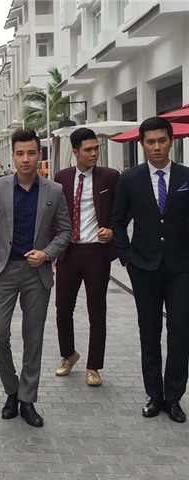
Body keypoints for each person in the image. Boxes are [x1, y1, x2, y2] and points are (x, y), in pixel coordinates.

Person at [0, 129, 71, 428]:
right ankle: (12, 390)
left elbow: (65, 231)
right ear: (13, 156)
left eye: (31, 153)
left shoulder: (54, 190)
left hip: (36, 273)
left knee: (33, 338)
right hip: (3, 271)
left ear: (39, 155)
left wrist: (47, 254)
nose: (26, 159)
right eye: (20, 153)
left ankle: (27, 399)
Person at [112, 116, 189, 423]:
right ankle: (154, 396)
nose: (156, 147)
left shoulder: (185, 176)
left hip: (181, 268)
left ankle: (174, 397)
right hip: (143, 267)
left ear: (171, 141)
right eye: (150, 142)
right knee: (149, 332)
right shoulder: (130, 179)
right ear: (142, 144)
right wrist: (126, 257)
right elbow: (117, 221)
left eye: (161, 141)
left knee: (180, 331)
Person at [53, 128, 120, 387]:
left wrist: (112, 230)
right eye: (88, 149)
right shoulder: (62, 178)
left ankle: (93, 366)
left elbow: (123, 209)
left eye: (96, 148)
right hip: (69, 252)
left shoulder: (110, 177)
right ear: (75, 152)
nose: (94, 153)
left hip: (96, 252)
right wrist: (53, 250)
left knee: (97, 311)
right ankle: (68, 354)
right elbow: (55, 214)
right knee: (62, 309)